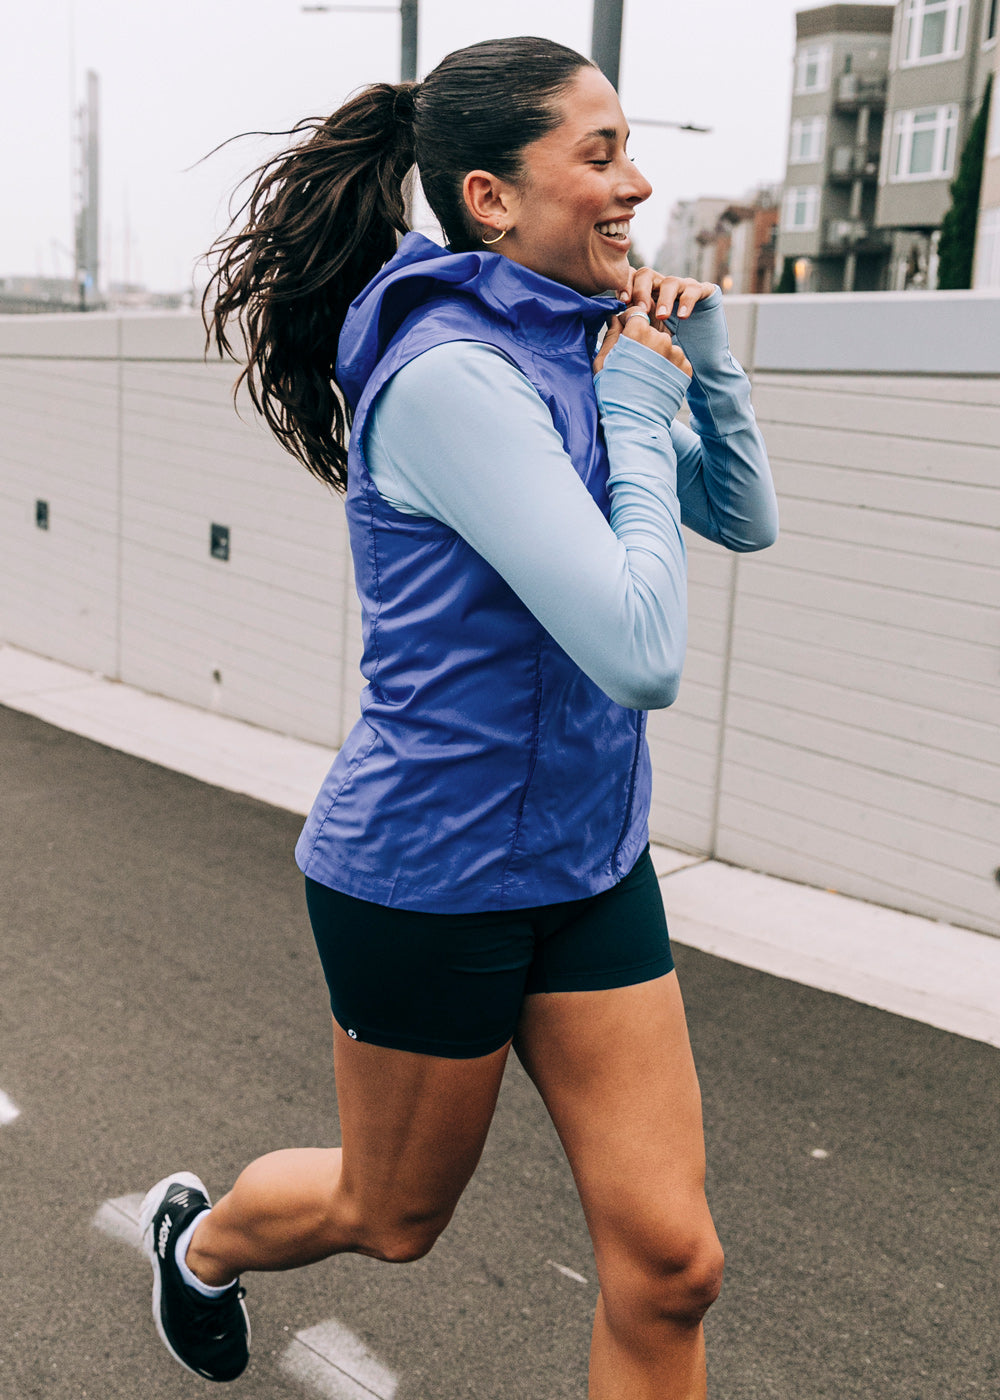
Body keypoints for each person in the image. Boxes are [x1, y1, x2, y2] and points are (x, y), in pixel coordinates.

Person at [139, 35, 777, 1399]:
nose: (635, 184)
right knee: (393, 1217)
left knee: (674, 1264)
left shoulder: (580, 340)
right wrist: (640, 405)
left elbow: (745, 519)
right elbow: (641, 650)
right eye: (597, 157)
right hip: (436, 877)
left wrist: (700, 363)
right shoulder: (451, 381)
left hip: (590, 859)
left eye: (628, 150)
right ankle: (201, 1246)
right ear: (491, 199)